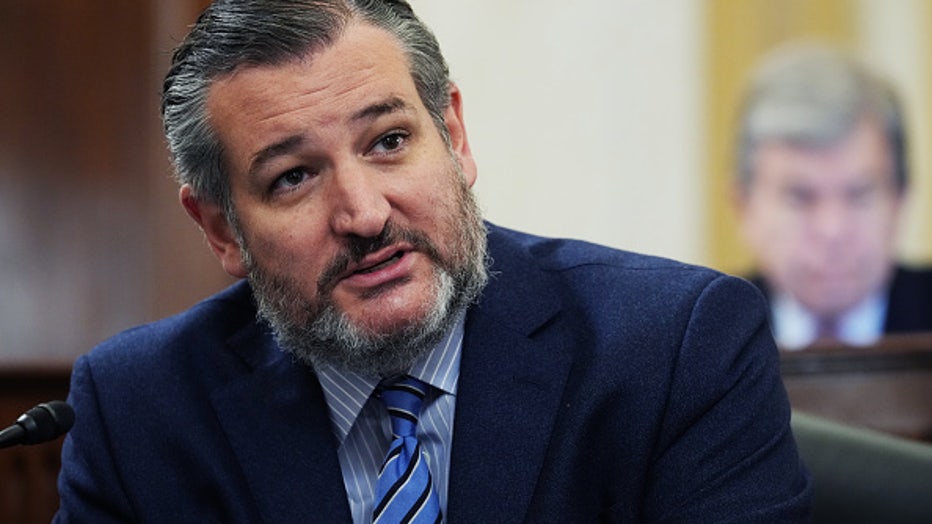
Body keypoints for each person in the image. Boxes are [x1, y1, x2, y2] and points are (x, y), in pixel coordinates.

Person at [55, 1, 811, 521]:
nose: (364, 214)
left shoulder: (675, 349)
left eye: (388, 141)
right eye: (293, 177)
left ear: (453, 135)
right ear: (222, 229)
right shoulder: (139, 411)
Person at [733, 43, 932, 350]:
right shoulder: (702, 341)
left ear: (900, 199)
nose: (832, 230)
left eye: (859, 195)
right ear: (744, 206)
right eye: (800, 197)